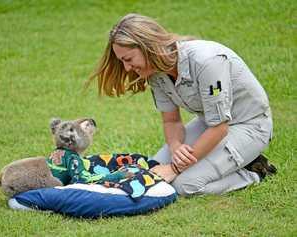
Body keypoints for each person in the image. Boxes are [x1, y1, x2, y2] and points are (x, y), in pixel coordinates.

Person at [87, 13, 277, 196]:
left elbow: (219, 128)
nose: (127, 68)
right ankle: (225, 163)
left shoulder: (207, 62)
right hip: (209, 123)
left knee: (184, 185)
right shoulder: (155, 72)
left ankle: (254, 171)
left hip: (249, 126)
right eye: (122, 62)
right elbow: (171, 121)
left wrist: (176, 167)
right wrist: (176, 146)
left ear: (147, 47)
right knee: (153, 169)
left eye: (128, 60)